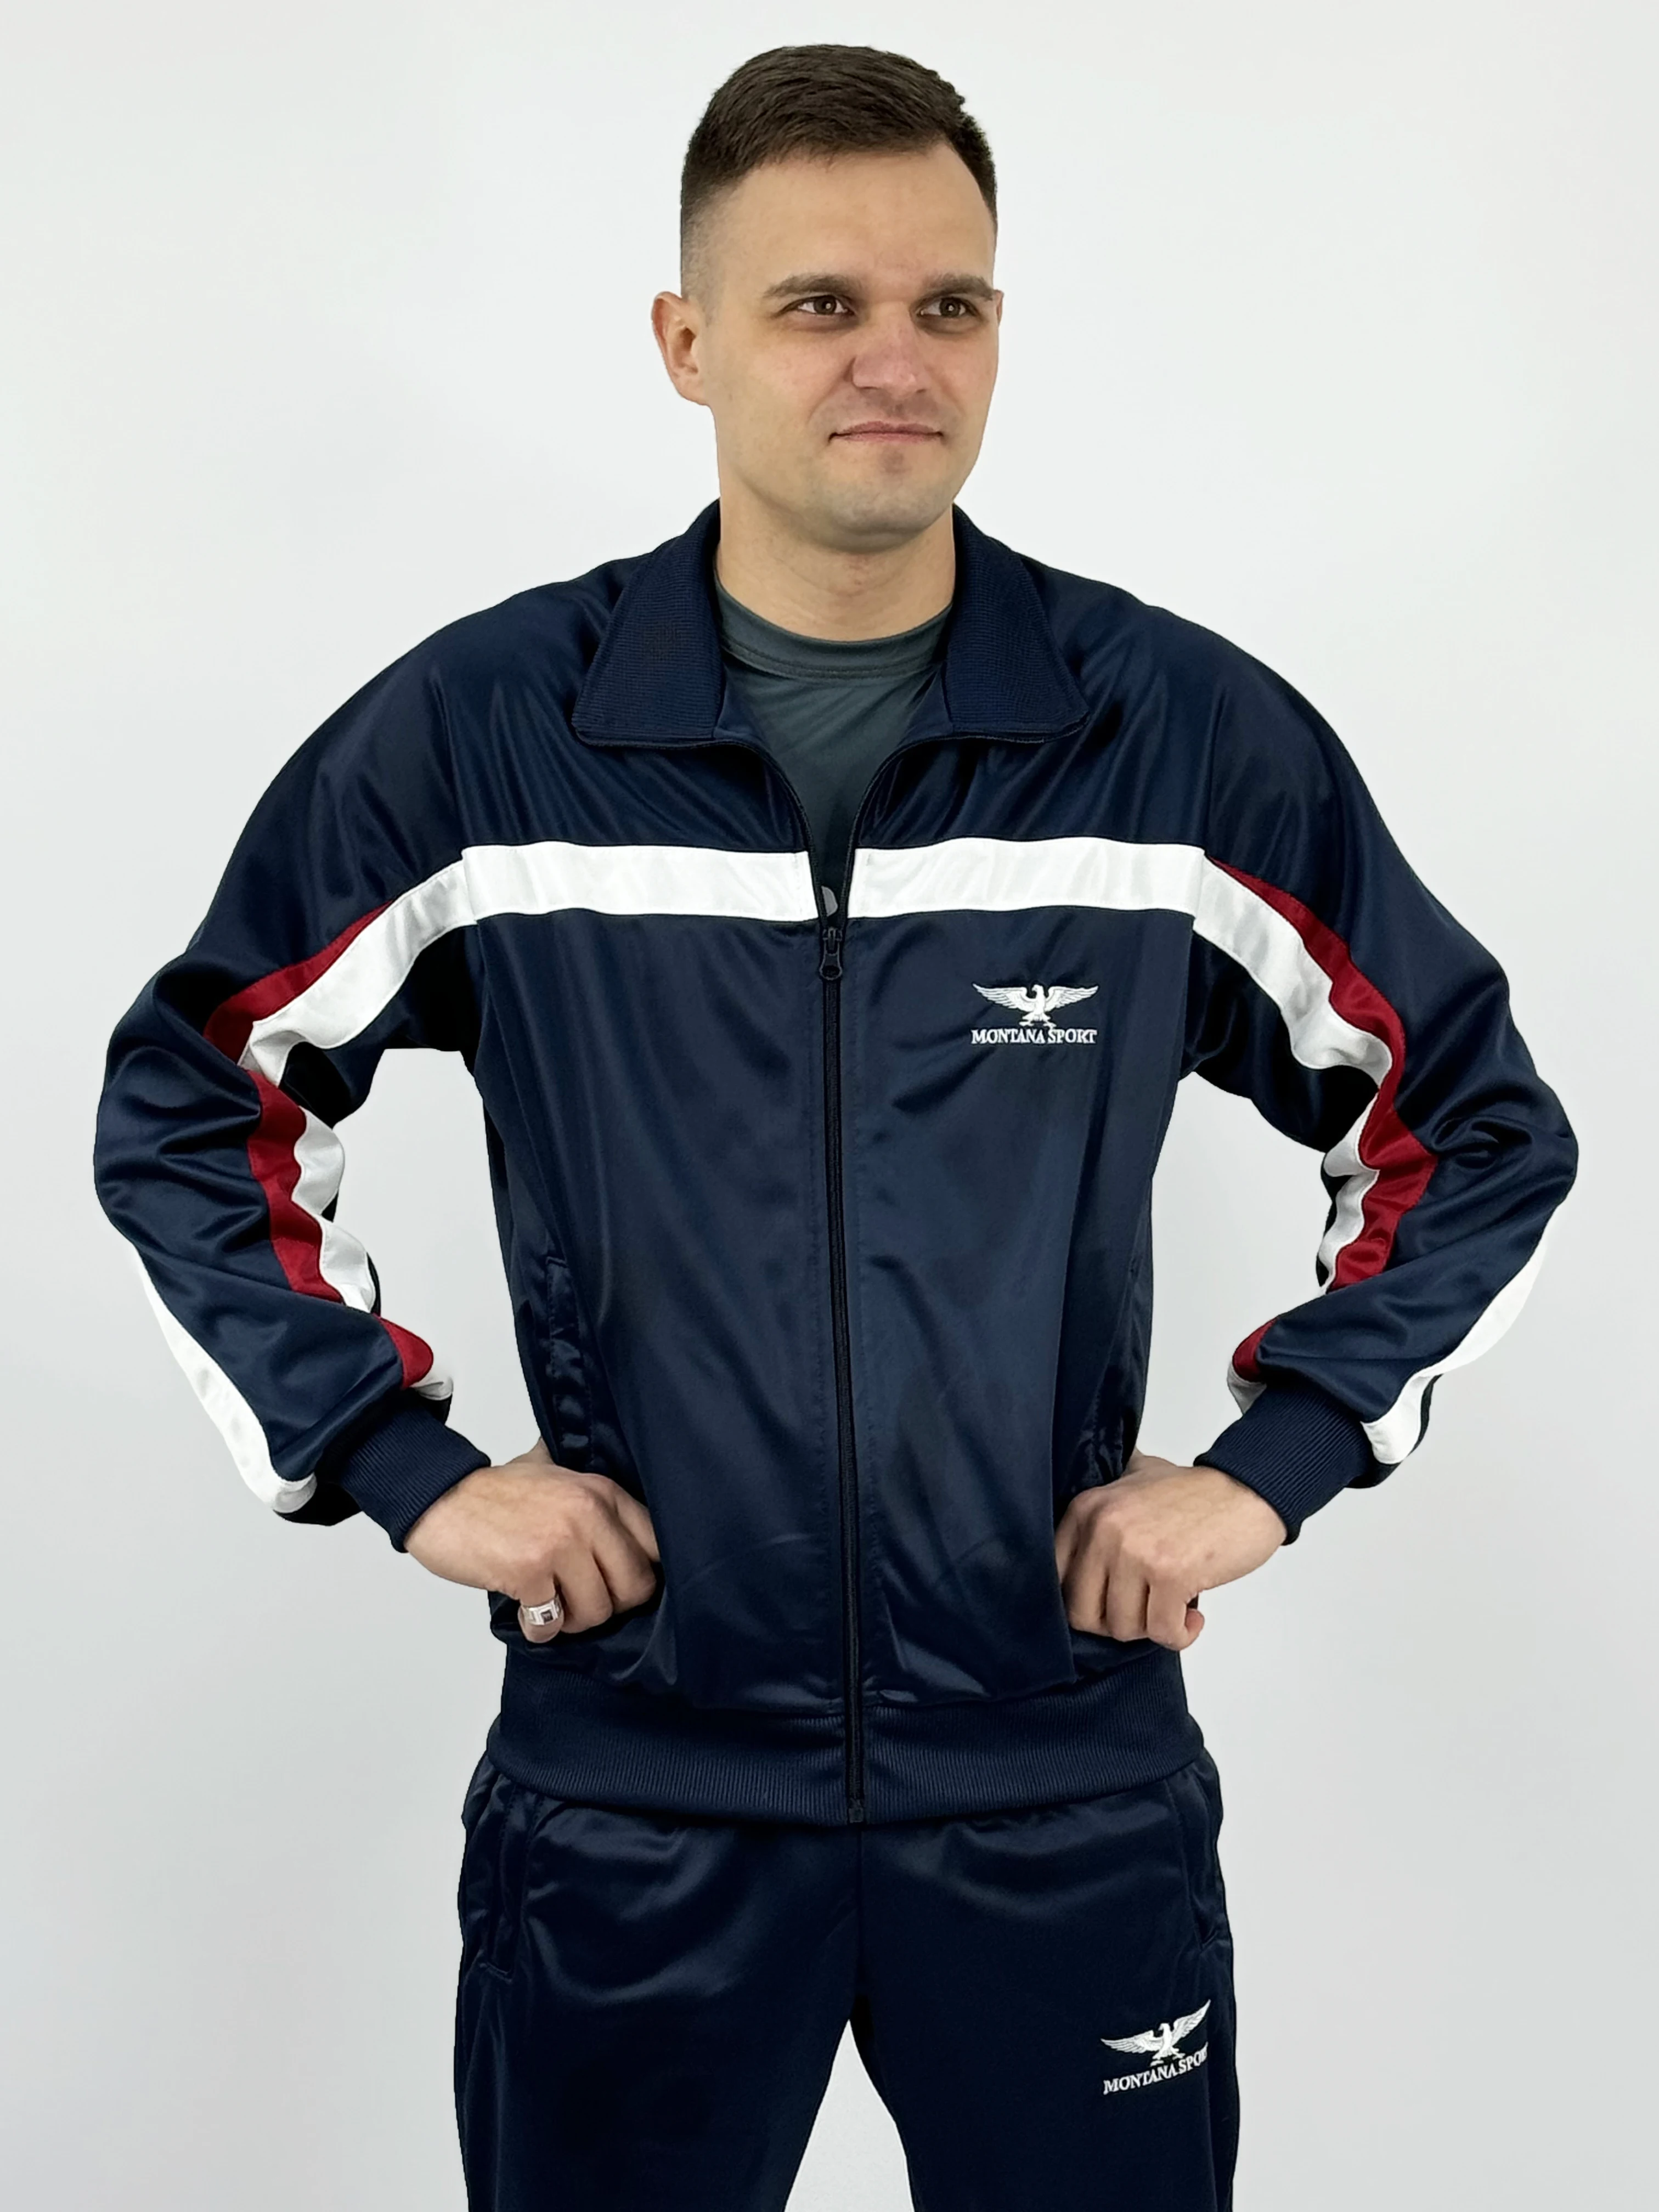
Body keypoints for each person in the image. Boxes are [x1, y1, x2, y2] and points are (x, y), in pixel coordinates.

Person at [91, 41, 1577, 2212]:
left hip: (1059, 1788)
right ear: (687, 343)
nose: (897, 359)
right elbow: (195, 1093)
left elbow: (1471, 1123)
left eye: (949, 304)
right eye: (820, 305)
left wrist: (1277, 1460)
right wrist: (396, 1464)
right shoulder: (491, 743)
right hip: (639, 1799)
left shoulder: (1170, 743)